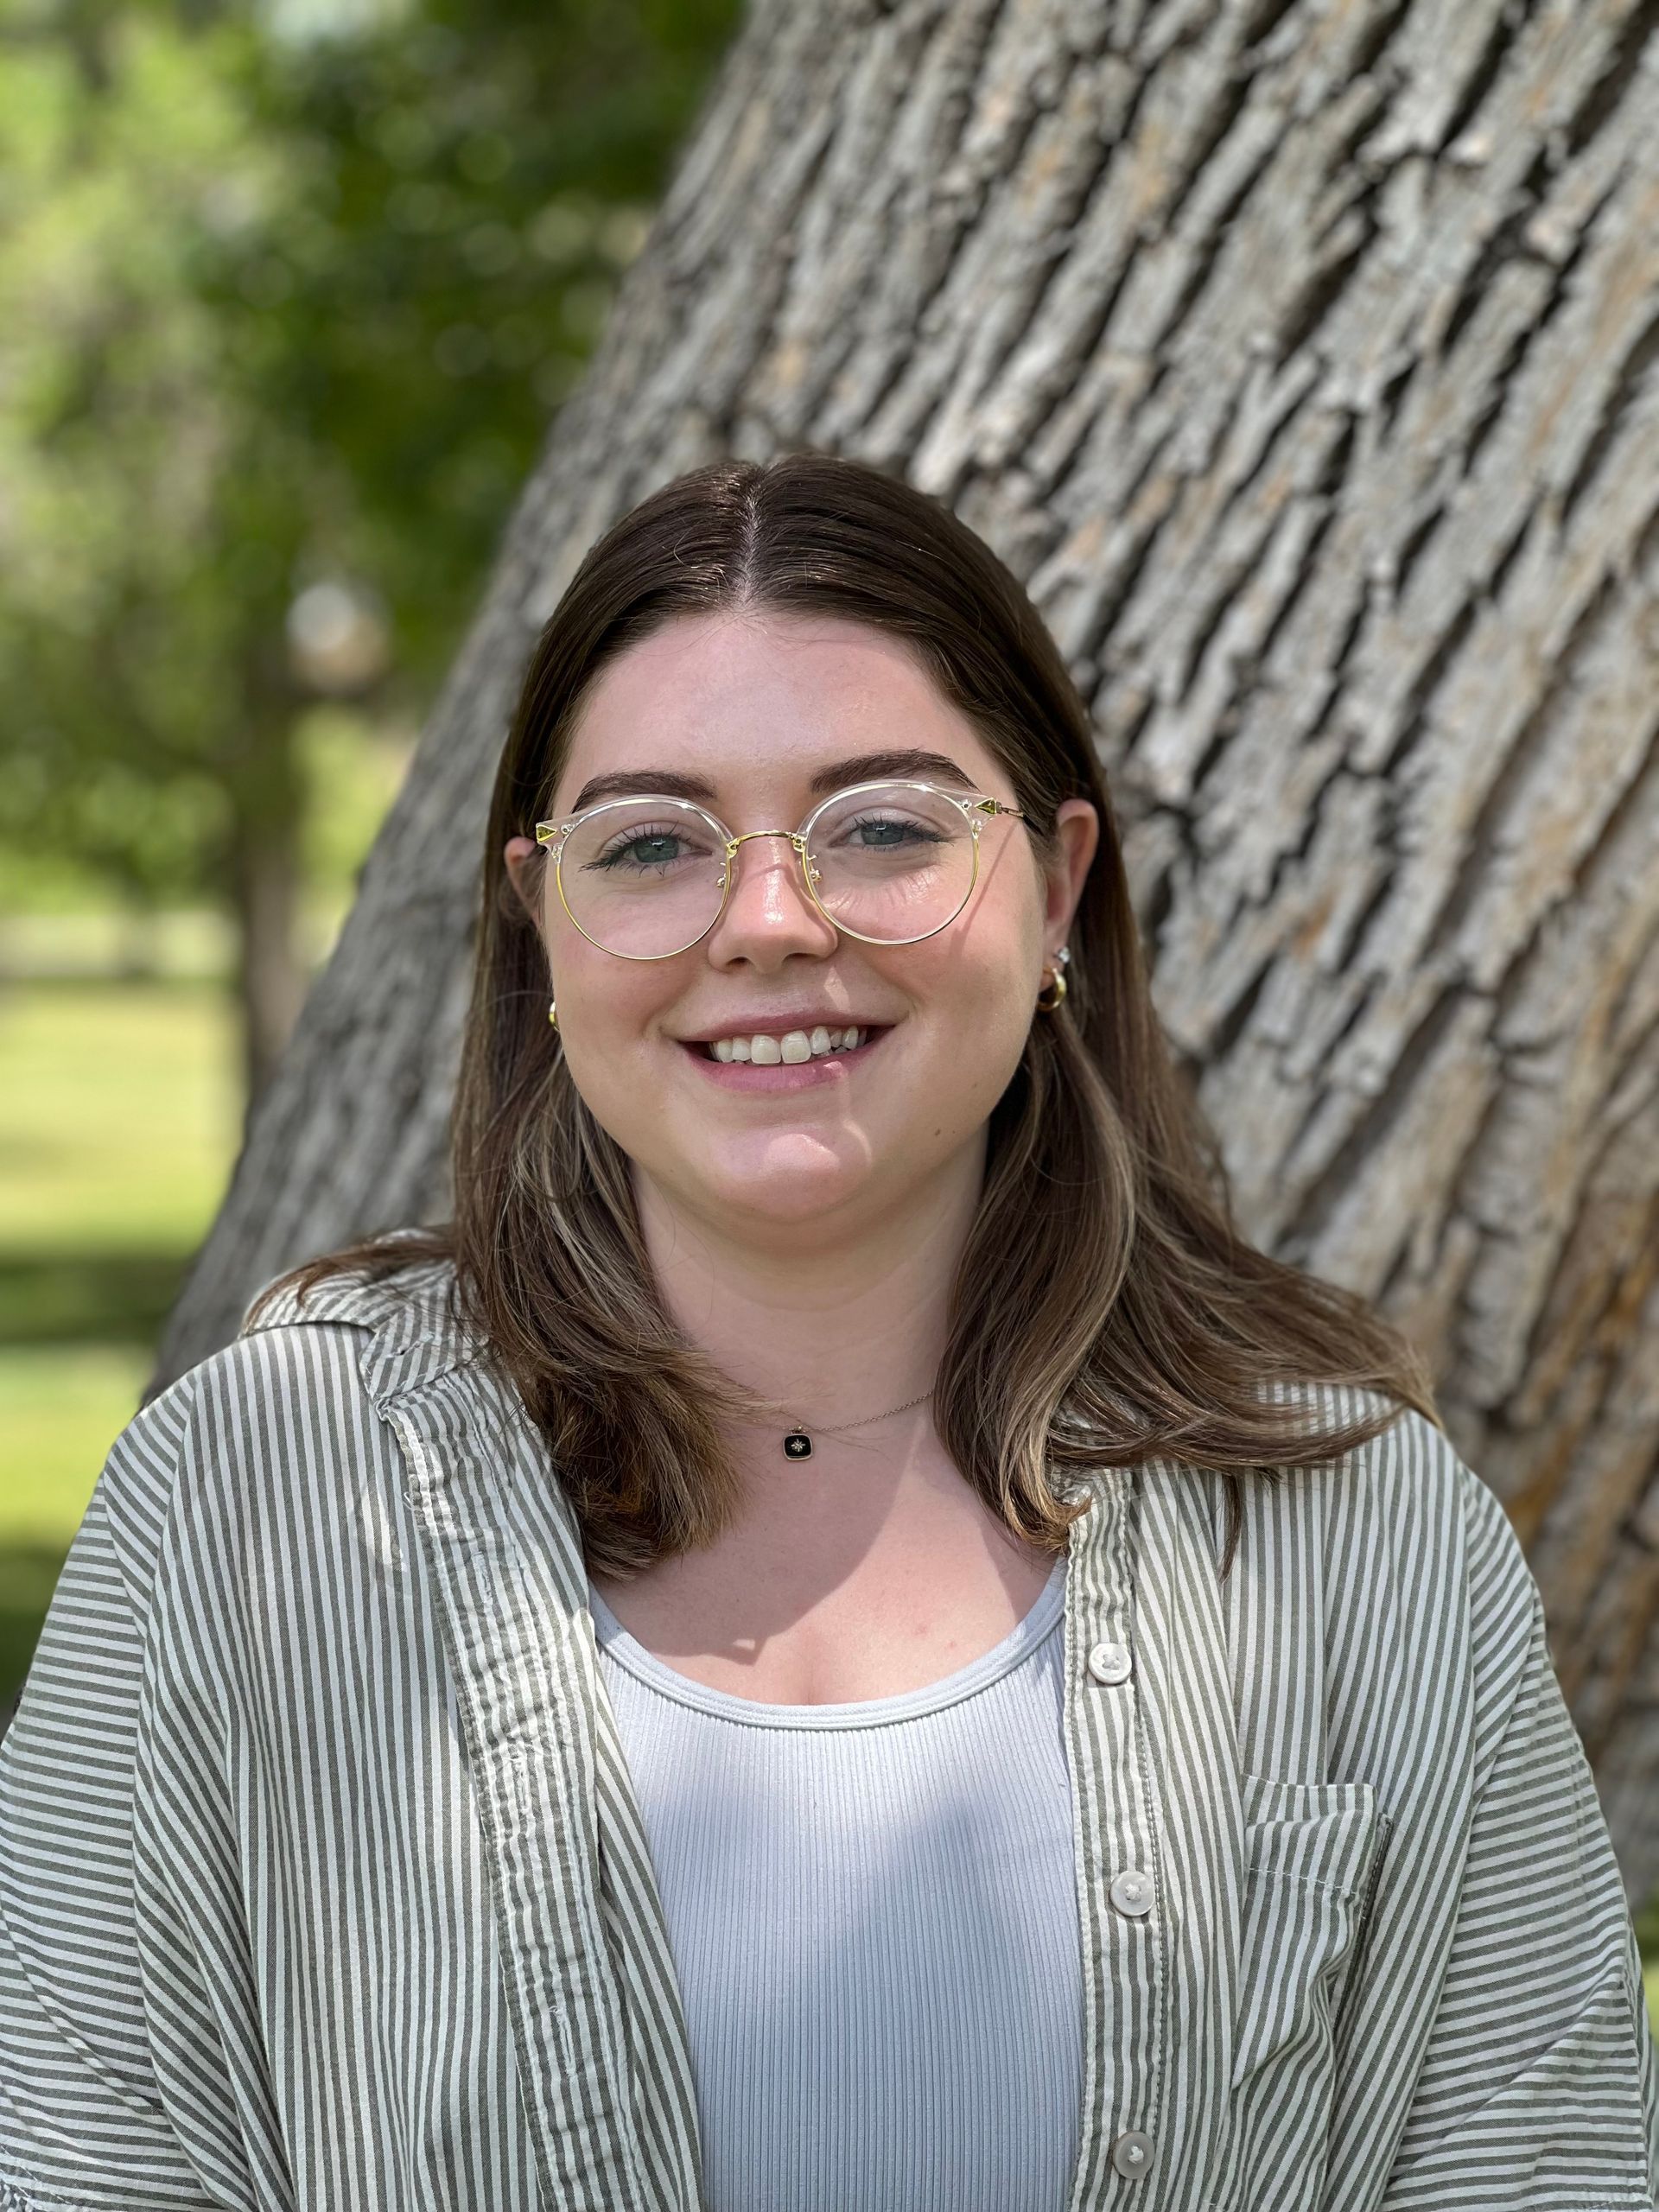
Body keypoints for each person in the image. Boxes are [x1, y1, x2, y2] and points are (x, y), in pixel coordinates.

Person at [2, 452, 1655, 2212]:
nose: (771, 920)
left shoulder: (1364, 1536)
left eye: (883, 824)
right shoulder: (250, 1499)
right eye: (651, 844)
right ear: (543, 922)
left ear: (1058, 890)